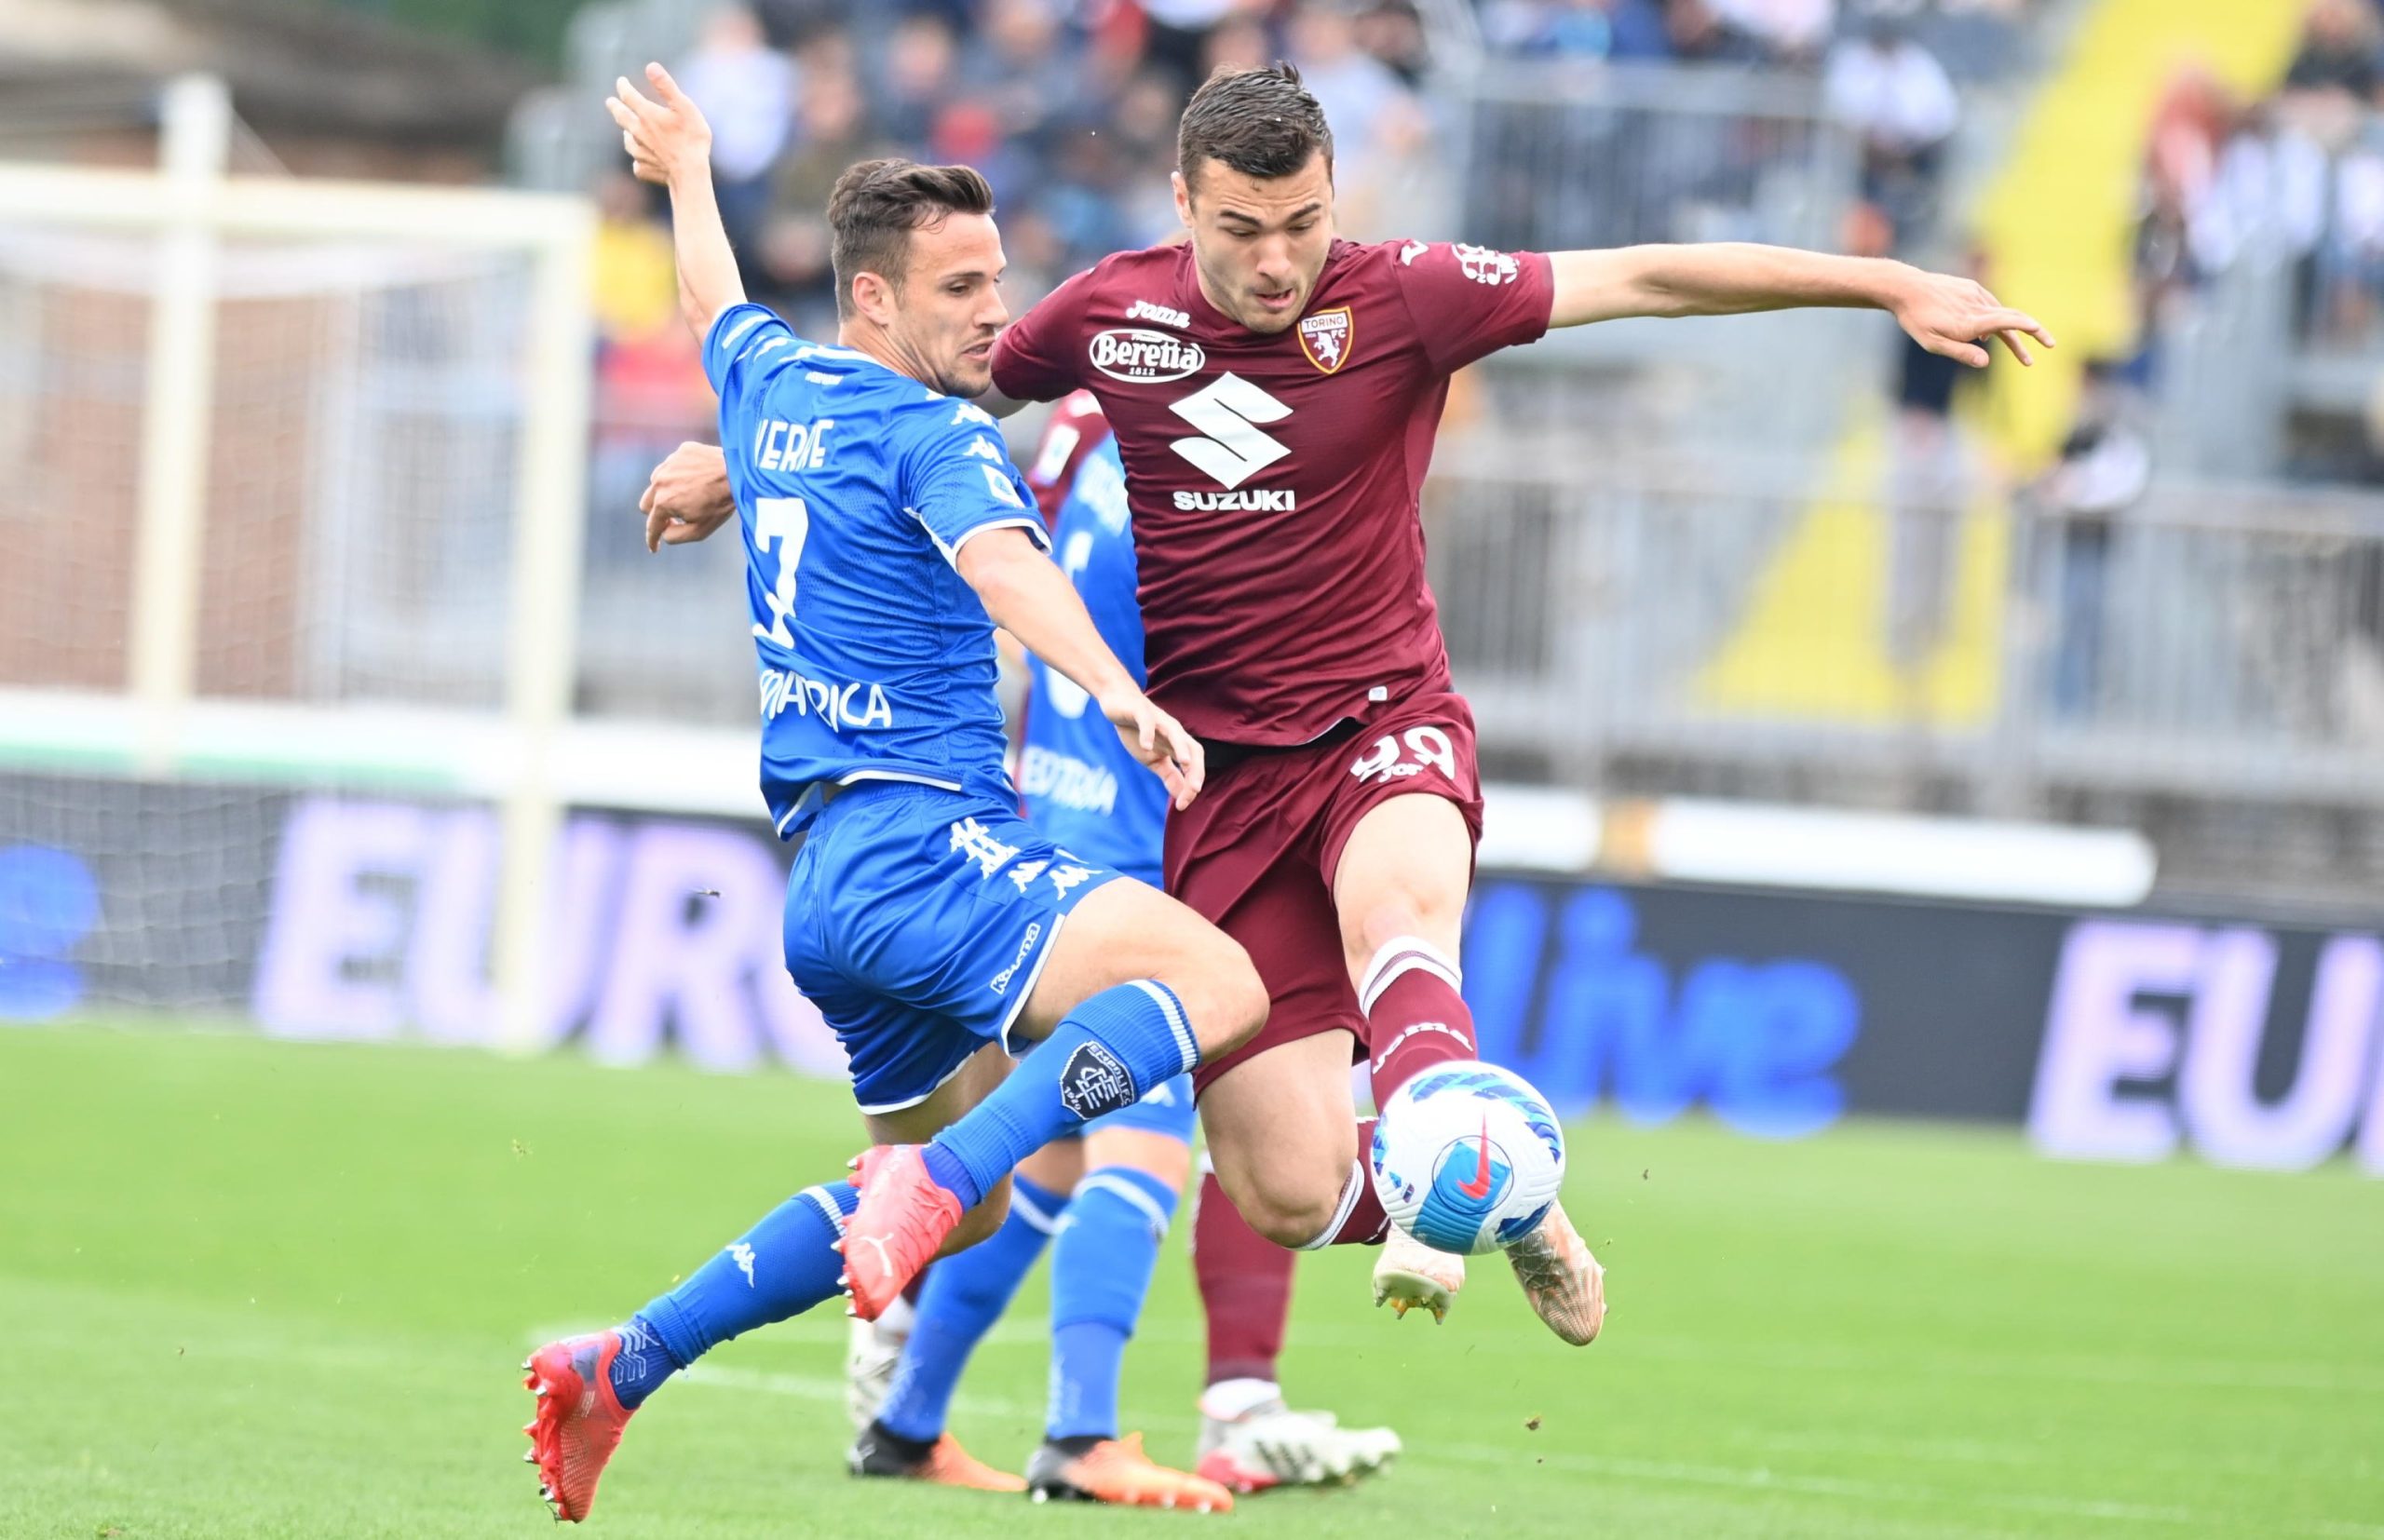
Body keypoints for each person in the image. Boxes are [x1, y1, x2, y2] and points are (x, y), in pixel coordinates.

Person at [645, 61, 2050, 1350]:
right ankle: (1503, 1196)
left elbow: (1652, 279)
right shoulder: (1107, 318)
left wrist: (1885, 284)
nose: (1277, 262)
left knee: (1400, 919)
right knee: (1284, 1182)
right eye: (1245, 228)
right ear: (1183, 201)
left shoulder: (1412, 292)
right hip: (1227, 787)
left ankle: (1437, 1128)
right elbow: (915, 397)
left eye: (1305, 224)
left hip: (1385, 720)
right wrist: (742, 465)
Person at [522, 65, 1269, 1524]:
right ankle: (959, 1199)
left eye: (1000, 277)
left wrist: (687, 170)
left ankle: (624, 1360)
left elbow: (709, 306)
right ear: (873, 300)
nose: (998, 310)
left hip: (829, 889)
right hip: (928, 853)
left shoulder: (771, 385)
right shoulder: (941, 438)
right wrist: (1114, 689)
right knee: (1216, 984)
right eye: (961, 286)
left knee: (960, 1203)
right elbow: (1006, 567)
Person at [833, 393, 1399, 1503]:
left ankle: (904, 1420)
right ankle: (1080, 1433)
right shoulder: (1219, 482)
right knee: (1136, 1161)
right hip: (1137, 870)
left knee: (1043, 1166)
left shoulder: (1089, 427)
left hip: (1044, 832)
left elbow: (999, 569)